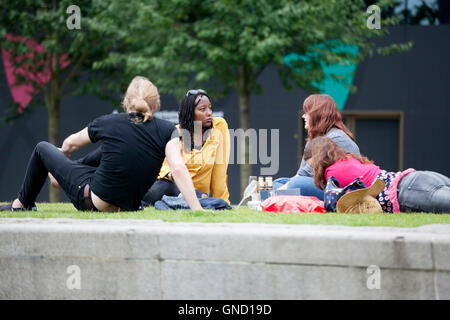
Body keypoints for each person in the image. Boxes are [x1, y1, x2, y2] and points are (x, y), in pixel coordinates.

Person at [0, 76, 203, 212]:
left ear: (126, 102)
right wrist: (197, 209)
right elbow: (177, 168)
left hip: (92, 200)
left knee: (42, 148)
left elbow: (69, 144)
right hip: (129, 205)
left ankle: (21, 204)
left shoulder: (108, 122)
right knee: (108, 150)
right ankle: (64, 173)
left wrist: (59, 161)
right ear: (156, 104)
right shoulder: (169, 130)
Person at [303, 136, 450, 213]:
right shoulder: (349, 158)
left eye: (308, 161)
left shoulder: (332, 172)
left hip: (408, 191)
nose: (309, 167)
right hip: (415, 179)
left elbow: (333, 204)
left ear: (317, 157)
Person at [142, 89, 230, 206]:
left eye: (210, 107)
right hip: (173, 187)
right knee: (158, 189)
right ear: (190, 112)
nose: (209, 113)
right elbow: (166, 169)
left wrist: (223, 202)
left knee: (201, 196)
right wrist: (175, 175)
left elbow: (220, 171)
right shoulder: (175, 133)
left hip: (199, 194)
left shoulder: (219, 126)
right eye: (202, 109)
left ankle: (186, 199)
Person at [273, 94, 360, 200]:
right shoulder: (314, 140)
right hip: (320, 185)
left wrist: (283, 189)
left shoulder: (337, 138)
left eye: (307, 113)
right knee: (278, 182)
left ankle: (277, 196)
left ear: (318, 114)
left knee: (295, 184)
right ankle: (280, 195)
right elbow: (301, 173)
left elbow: (305, 175)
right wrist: (284, 187)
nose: (303, 116)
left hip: (340, 192)